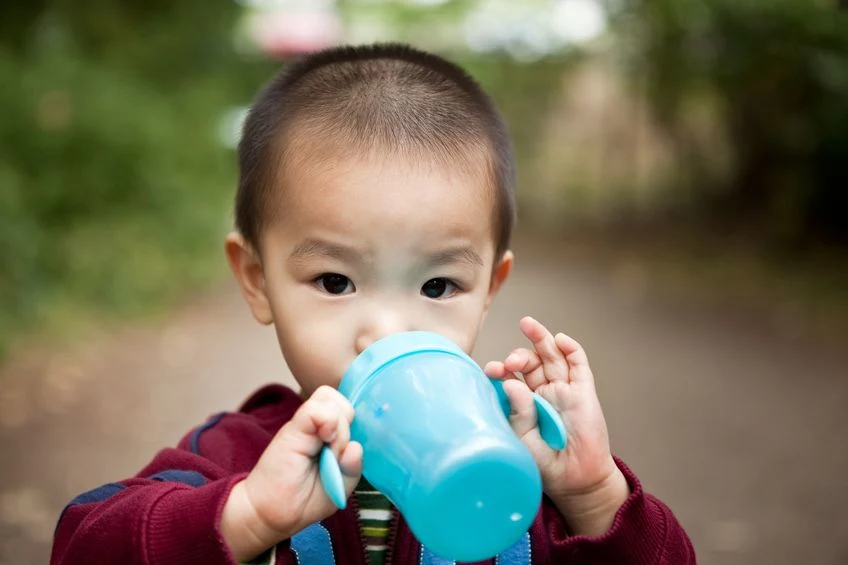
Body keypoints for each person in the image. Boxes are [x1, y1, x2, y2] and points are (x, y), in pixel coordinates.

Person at [51, 43, 696, 565]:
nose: (386, 330)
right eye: (335, 282)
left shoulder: (529, 471)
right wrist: (244, 518)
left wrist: (593, 496)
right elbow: (82, 543)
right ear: (256, 279)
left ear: (489, 290)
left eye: (438, 286)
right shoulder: (234, 459)